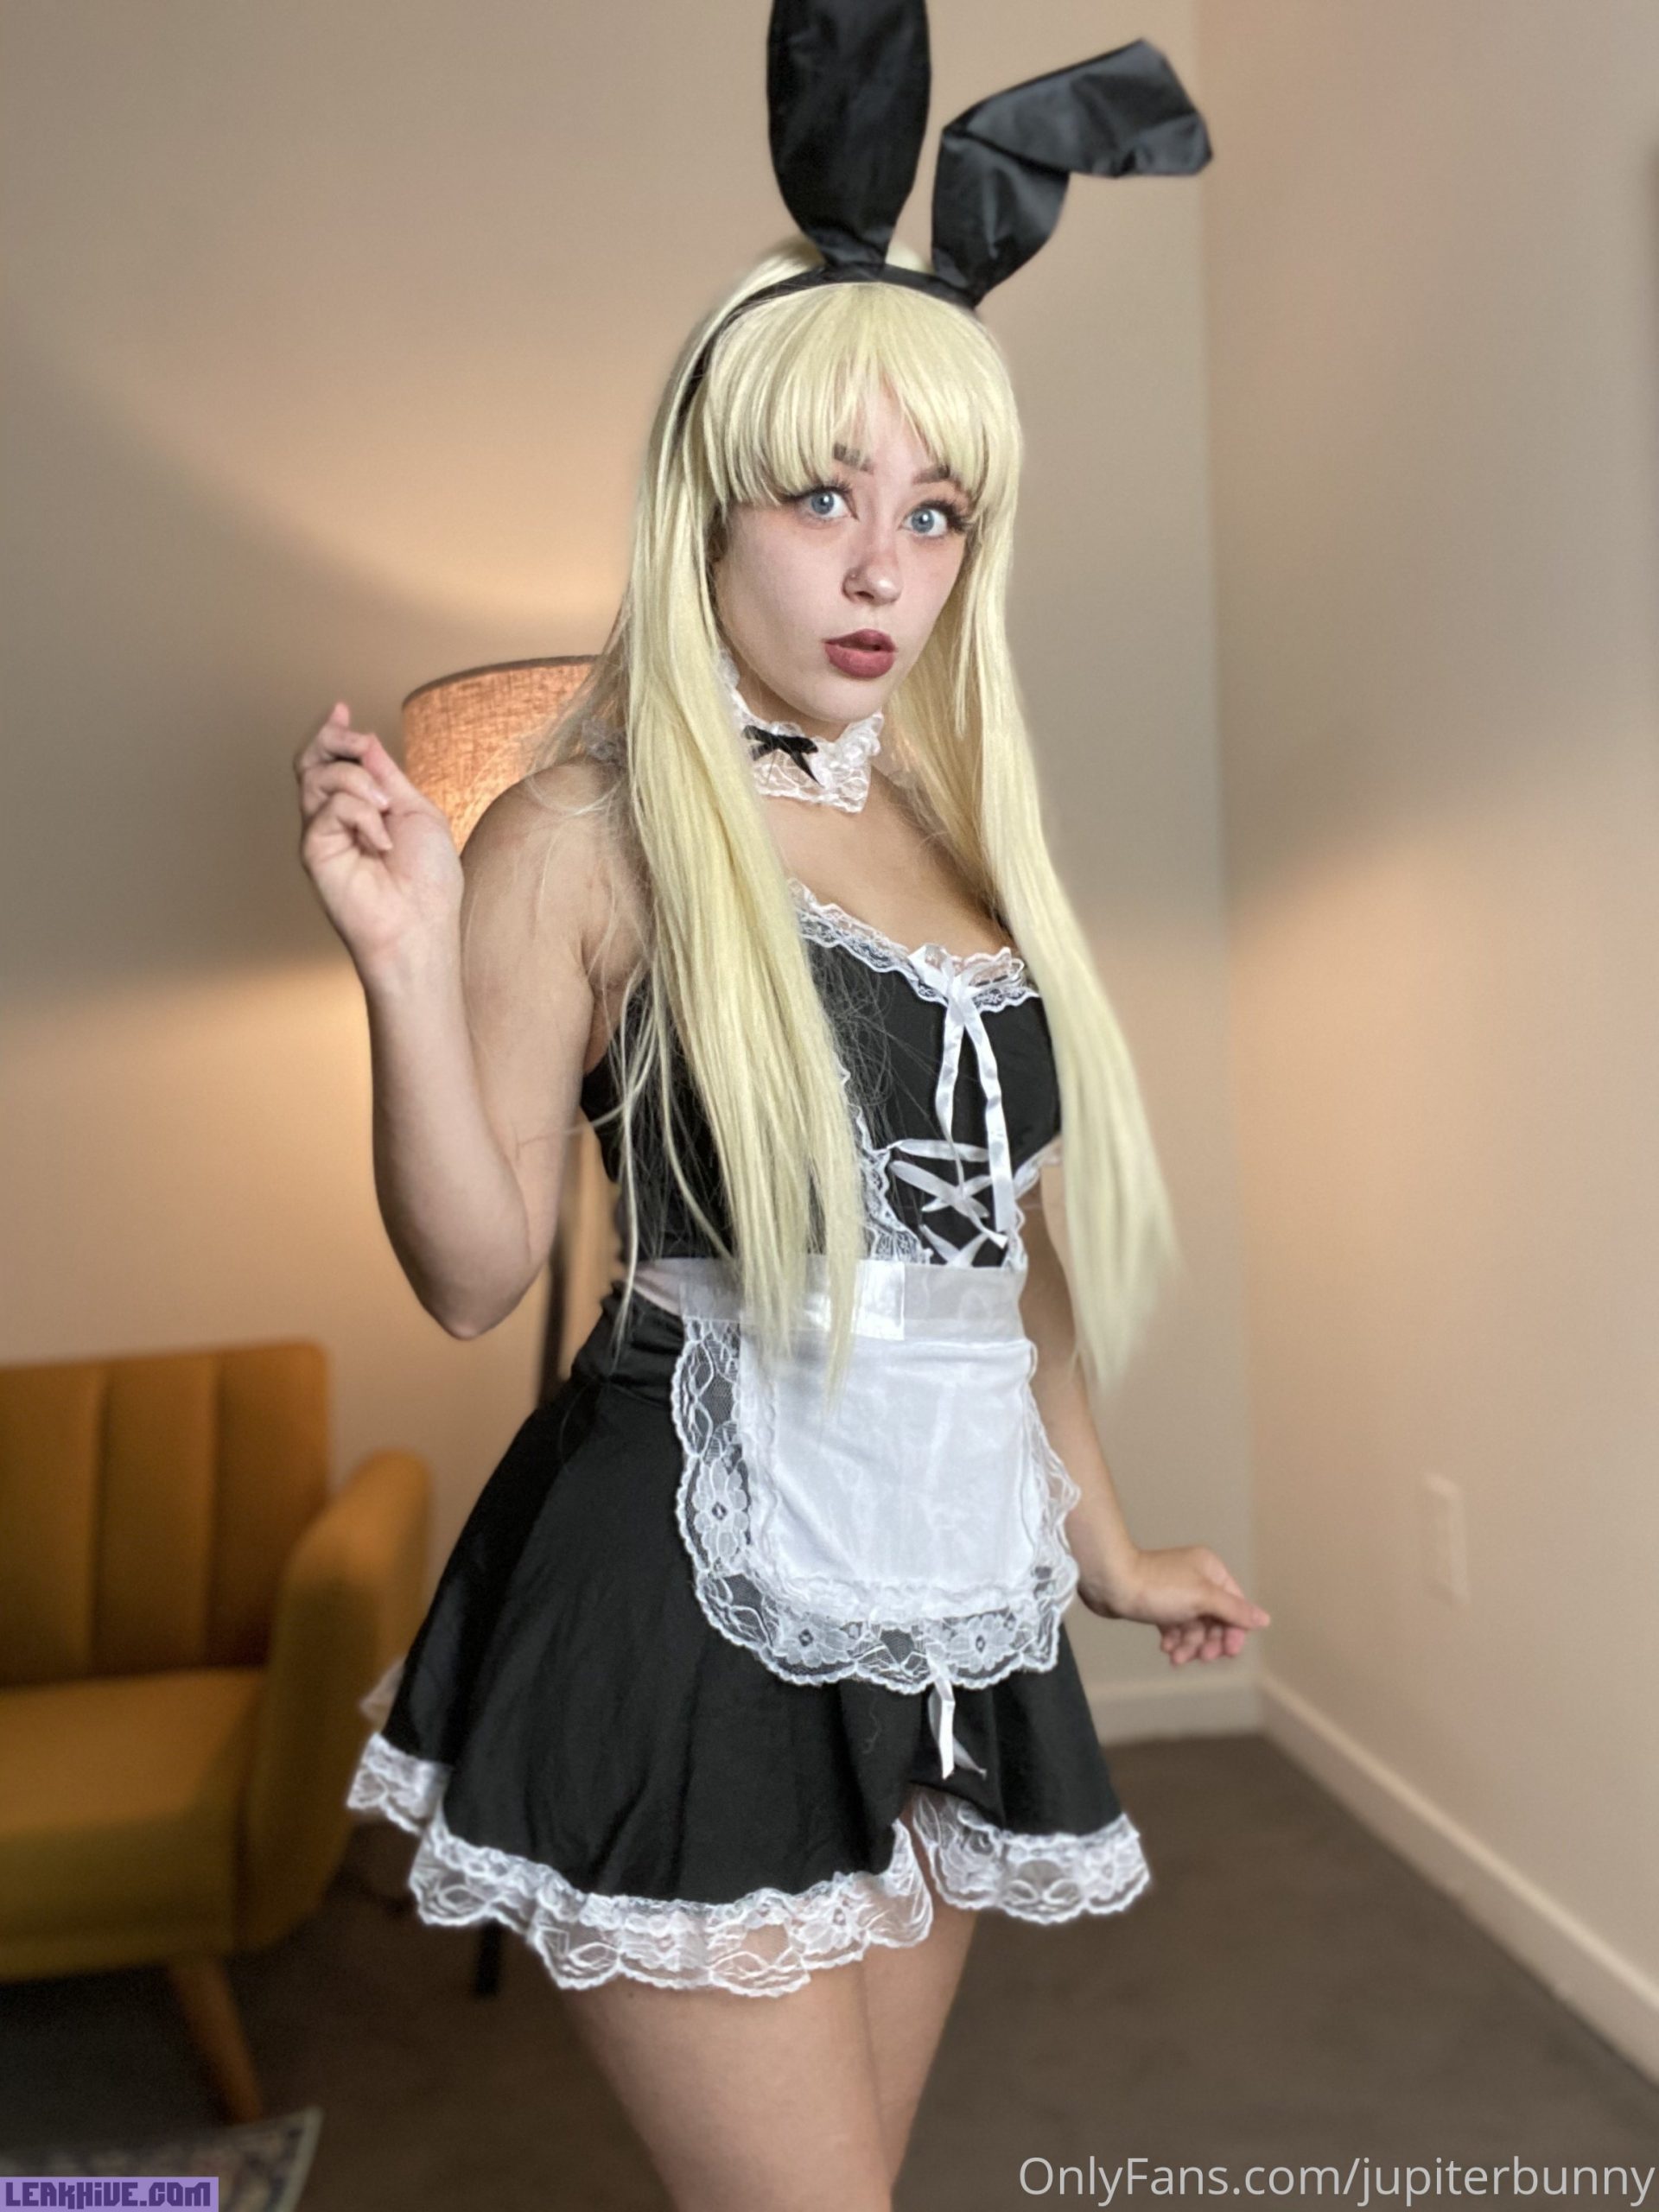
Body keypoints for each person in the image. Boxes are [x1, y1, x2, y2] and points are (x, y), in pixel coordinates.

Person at [293, 14, 1268, 2209]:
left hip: (958, 1612)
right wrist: (404, 968)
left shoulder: (955, 844)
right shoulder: (590, 830)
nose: (879, 569)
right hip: (689, 1599)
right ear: (705, 498)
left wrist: (1112, 1552)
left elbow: (1006, 1282)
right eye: (823, 495)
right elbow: (473, 1275)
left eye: (933, 513)